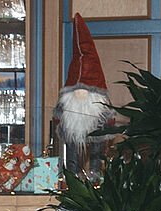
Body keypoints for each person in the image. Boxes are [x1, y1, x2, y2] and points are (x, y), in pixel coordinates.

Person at [53, 13, 115, 182]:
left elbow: (110, 118)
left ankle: (96, 173)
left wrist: (110, 123)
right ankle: (72, 174)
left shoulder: (101, 104)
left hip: (97, 134)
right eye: (77, 90)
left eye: (85, 90)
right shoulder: (66, 103)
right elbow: (57, 116)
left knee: (97, 148)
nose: (80, 94)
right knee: (71, 148)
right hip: (72, 133)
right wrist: (58, 118)